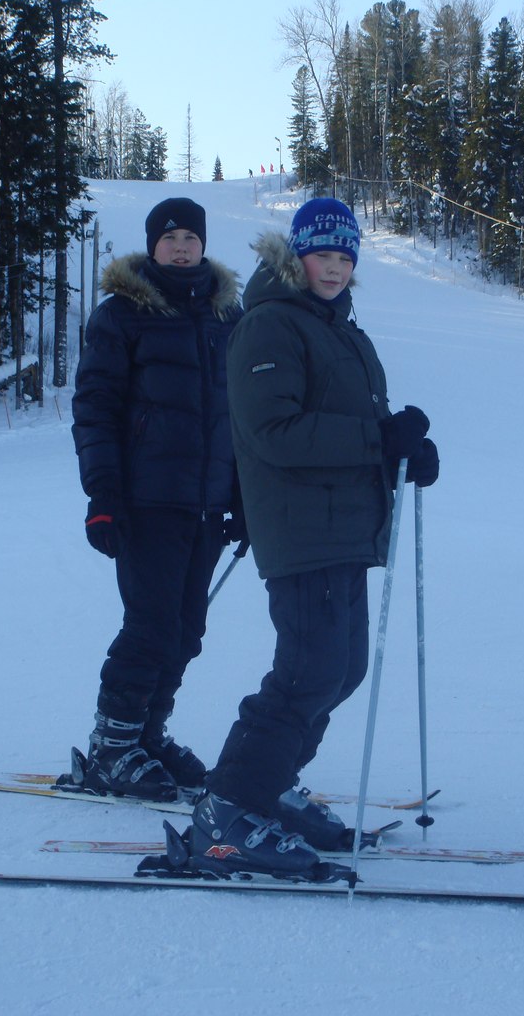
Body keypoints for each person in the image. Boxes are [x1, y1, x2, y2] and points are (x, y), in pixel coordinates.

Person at [185, 198, 439, 875]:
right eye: (323, 252)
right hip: (301, 526)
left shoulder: (340, 330)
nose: (334, 264)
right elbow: (274, 433)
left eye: (345, 254)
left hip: (343, 526)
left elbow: (356, 427)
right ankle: (230, 809)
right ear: (296, 256)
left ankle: (268, 789)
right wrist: (373, 439)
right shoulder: (270, 325)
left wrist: (401, 453)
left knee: (340, 668)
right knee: (309, 671)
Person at [70, 197, 245, 802]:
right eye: (168, 237)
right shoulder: (122, 314)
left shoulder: (227, 316)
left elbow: (237, 416)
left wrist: (241, 497)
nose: (180, 246)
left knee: (187, 629)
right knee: (150, 626)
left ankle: (146, 734)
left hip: (206, 504)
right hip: (145, 501)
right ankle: (111, 749)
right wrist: (103, 497)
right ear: (152, 246)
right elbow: (95, 408)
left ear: (203, 244)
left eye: (190, 236)